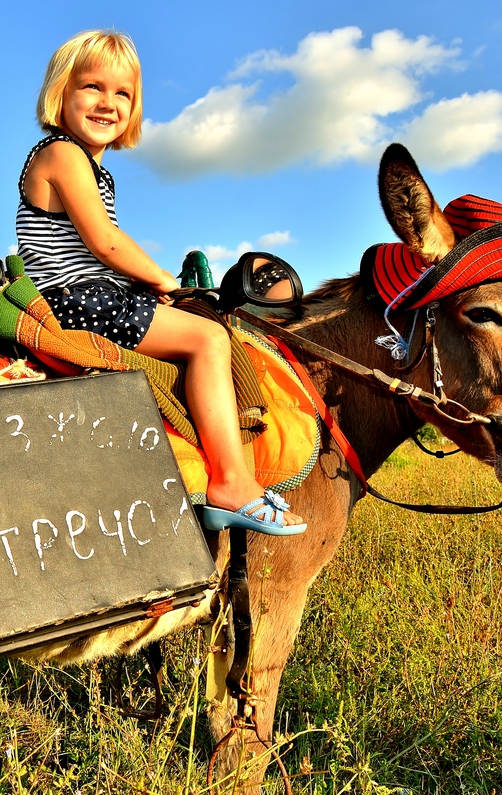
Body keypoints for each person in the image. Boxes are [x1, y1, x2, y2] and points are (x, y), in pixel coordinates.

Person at [16, 30, 305, 534]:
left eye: (122, 93)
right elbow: (104, 241)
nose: (107, 103)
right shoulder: (61, 153)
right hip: (74, 300)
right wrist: (162, 277)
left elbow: (97, 247)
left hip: (92, 291)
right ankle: (232, 482)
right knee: (209, 338)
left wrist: (148, 285)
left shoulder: (92, 168)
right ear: (61, 92)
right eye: (92, 87)